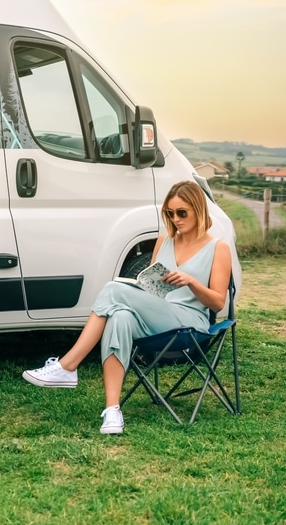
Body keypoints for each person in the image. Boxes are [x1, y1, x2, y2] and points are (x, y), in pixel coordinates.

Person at [21, 180, 232, 434]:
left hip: (190, 323)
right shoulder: (164, 240)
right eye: (170, 213)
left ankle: (68, 366)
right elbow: (152, 287)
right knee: (120, 316)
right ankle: (112, 411)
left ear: (198, 210)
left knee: (112, 289)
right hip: (158, 314)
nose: (175, 219)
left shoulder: (217, 247)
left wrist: (191, 282)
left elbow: (218, 302)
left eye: (182, 212)